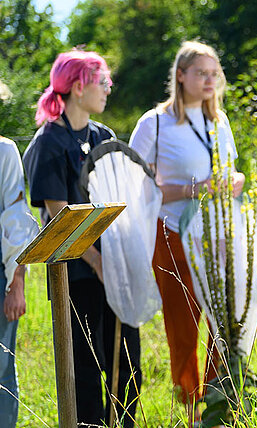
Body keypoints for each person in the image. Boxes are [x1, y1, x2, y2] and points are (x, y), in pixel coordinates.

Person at [23, 49, 141, 427]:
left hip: (114, 271)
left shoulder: (103, 135)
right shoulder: (49, 142)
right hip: (76, 277)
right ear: (77, 86)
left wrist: (121, 260)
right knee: (87, 376)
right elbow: (58, 212)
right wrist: (97, 261)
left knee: (129, 368)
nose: (108, 88)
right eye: (101, 81)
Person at [128, 40, 241, 423]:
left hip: (218, 232)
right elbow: (136, 186)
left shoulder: (219, 121)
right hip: (171, 231)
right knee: (183, 323)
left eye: (214, 73)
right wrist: (193, 188)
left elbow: (230, 172)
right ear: (180, 75)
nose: (210, 80)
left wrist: (233, 181)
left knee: (225, 319)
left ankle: (218, 400)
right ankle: (191, 407)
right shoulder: (154, 123)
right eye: (201, 73)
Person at [0, 132, 39, 427]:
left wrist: (17, 283)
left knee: (0, 370)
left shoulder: (4, 151)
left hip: (0, 279)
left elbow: (16, 219)